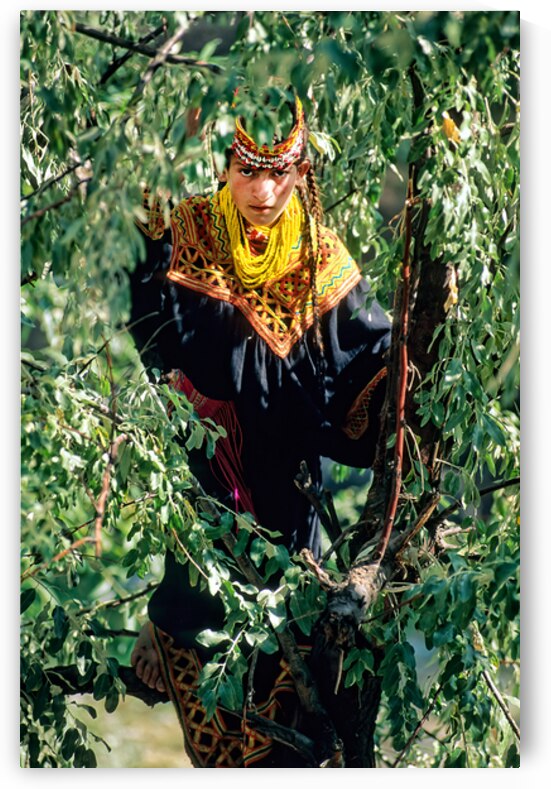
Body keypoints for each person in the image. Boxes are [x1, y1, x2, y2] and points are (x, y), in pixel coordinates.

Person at [127, 92, 391, 767]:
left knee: (291, 705)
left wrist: (412, 368)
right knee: (198, 585)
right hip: (205, 475)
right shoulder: (188, 228)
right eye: (247, 170)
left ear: (302, 170)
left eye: (280, 172)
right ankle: (167, 621)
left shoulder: (321, 258)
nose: (264, 192)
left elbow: (370, 362)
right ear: (224, 165)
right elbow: (146, 302)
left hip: (286, 494)